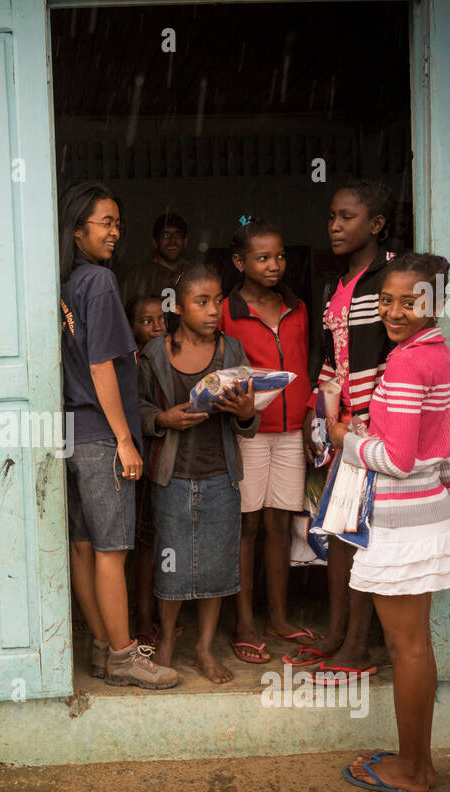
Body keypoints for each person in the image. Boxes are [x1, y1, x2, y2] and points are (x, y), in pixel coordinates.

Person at [332, 253, 450, 792]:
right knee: (416, 647)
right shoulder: (438, 356)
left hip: (403, 524)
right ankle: (416, 761)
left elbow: (401, 459)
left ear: (437, 303)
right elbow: (441, 453)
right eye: (387, 300)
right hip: (428, 517)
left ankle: (413, 771)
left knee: (407, 650)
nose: (396, 311)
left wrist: (347, 441)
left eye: (411, 301)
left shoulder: (407, 363)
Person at [58, 181, 179, 689]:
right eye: (104, 222)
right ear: (78, 228)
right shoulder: (100, 283)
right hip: (103, 435)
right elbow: (102, 364)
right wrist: (126, 439)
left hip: (72, 432)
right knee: (112, 550)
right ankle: (126, 656)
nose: (115, 231)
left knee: (84, 546)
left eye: (116, 222)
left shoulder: (63, 285)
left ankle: (105, 647)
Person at [298, 181, 403, 684]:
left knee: (363, 539)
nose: (335, 226)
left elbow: (391, 356)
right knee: (339, 534)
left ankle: (359, 646)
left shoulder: (392, 277)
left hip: (373, 431)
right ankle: (337, 632)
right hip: (342, 431)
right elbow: (330, 359)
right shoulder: (336, 284)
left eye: (347, 217)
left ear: (376, 224)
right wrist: (316, 414)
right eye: (331, 218)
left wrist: (366, 421)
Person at [138, 264, 260, 683]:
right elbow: (136, 408)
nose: (213, 310)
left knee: (217, 567)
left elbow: (250, 421)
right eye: (202, 302)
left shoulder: (233, 352)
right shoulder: (155, 354)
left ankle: (205, 648)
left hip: (219, 475)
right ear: (178, 307)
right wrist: (162, 419)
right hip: (172, 478)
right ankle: (168, 641)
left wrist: (246, 413)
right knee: (170, 567)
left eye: (218, 301)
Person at [217, 219, 318, 662]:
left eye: (279, 256)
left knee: (280, 522)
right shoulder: (226, 311)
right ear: (239, 262)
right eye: (262, 258)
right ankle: (243, 622)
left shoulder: (296, 307)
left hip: (292, 431)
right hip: (249, 433)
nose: (274, 265)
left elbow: (309, 362)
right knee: (248, 524)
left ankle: (277, 617)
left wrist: (311, 413)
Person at [125, 295, 168, 645]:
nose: (156, 326)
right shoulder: (131, 363)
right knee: (144, 545)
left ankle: (159, 615)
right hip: (140, 461)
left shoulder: (171, 356)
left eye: (160, 319)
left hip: (165, 462)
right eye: (146, 321)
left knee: (162, 545)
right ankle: (142, 617)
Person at [119, 212, 192, 307]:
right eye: (165, 235)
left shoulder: (193, 272)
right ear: (155, 242)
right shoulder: (139, 275)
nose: (172, 241)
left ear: (185, 241)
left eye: (177, 235)